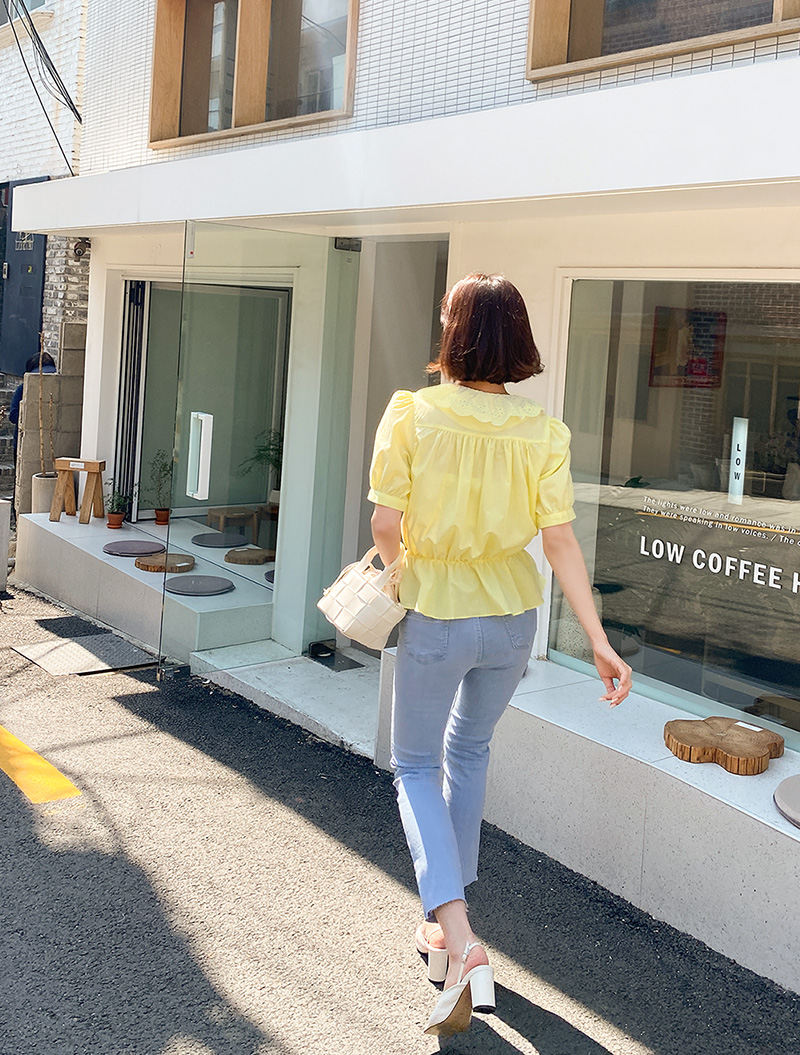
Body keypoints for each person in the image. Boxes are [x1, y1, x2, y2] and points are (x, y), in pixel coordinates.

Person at [368, 273, 632, 1037]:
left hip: (438, 615)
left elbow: (386, 524)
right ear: (517, 338)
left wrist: (398, 577)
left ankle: (460, 939)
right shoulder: (543, 431)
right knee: (469, 751)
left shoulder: (414, 413)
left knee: (416, 764)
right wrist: (598, 638)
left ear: (454, 332)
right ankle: (440, 929)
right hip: (514, 620)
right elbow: (560, 542)